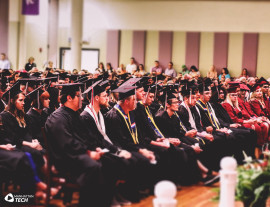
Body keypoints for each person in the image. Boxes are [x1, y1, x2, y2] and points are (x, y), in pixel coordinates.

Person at [45, 83, 114, 207]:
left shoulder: (75, 115)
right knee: (93, 166)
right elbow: (66, 144)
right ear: (69, 98)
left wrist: (95, 148)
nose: (82, 98)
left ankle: (103, 202)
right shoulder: (57, 118)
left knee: (110, 161)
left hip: (77, 154)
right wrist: (88, 152)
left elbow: (87, 137)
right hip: (65, 159)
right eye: (78, 96)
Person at [0, 82, 45, 168]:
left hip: (26, 143)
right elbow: (13, 138)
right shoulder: (5, 116)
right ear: (12, 101)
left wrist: (33, 141)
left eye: (24, 100)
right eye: (20, 100)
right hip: (15, 145)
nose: (23, 103)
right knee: (35, 153)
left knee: (43, 151)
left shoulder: (24, 116)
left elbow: (28, 132)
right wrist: (30, 144)